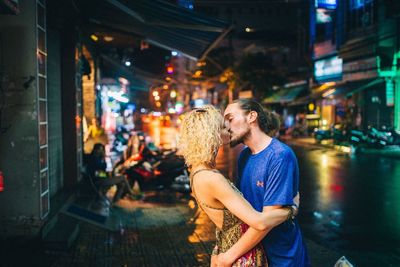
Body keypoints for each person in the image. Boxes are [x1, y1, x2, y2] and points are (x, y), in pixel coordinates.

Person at [178, 105, 298, 266]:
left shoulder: (198, 171)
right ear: (211, 135)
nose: (229, 130)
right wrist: (292, 208)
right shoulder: (211, 178)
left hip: (229, 248)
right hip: (240, 255)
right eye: (222, 128)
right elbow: (260, 222)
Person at [218, 99, 309, 266]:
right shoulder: (244, 156)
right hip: (254, 253)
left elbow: (266, 222)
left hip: (281, 256)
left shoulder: (279, 156)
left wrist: (229, 256)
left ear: (252, 116)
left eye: (230, 119)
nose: (226, 126)